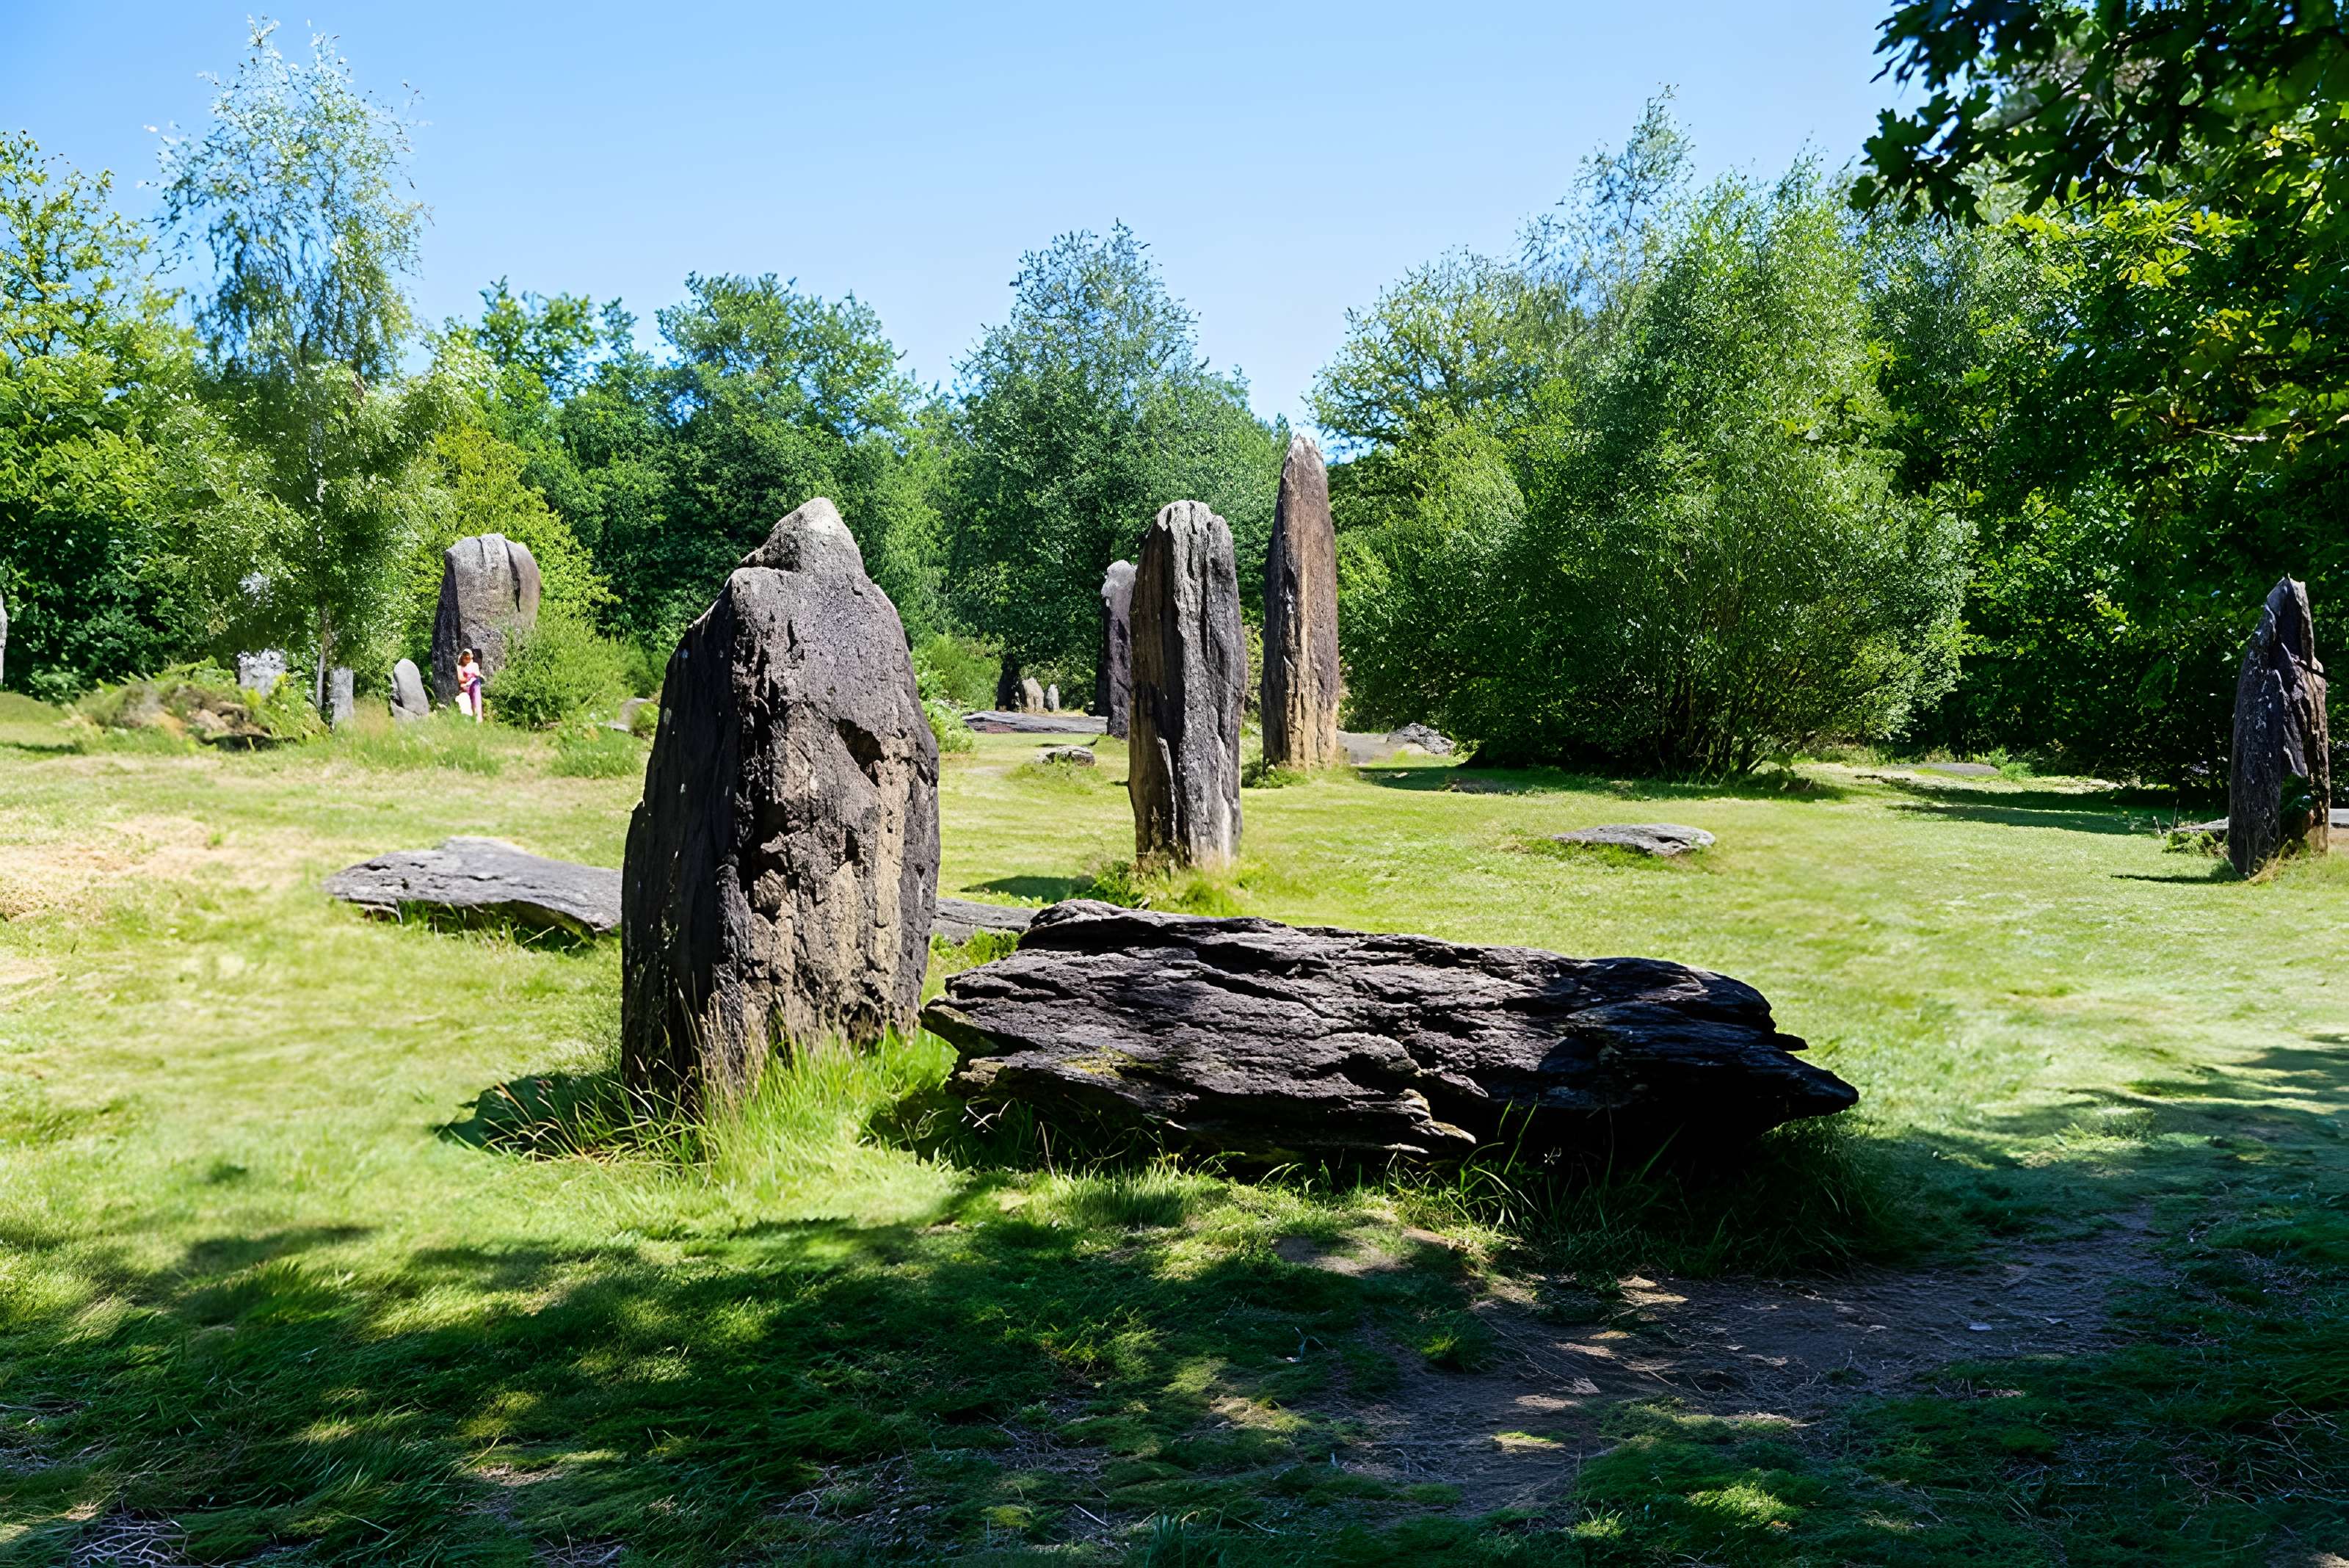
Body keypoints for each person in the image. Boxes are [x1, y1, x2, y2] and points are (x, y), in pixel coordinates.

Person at [456, 649, 486, 722]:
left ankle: (478, 719)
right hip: (465, 690)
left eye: (468, 656)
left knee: (476, 682)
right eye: (465, 656)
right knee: (465, 704)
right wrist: (470, 677)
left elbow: (477, 674)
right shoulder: (459, 667)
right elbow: (460, 679)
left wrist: (473, 676)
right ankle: (469, 720)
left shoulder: (474, 665)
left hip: (473, 687)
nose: (466, 658)